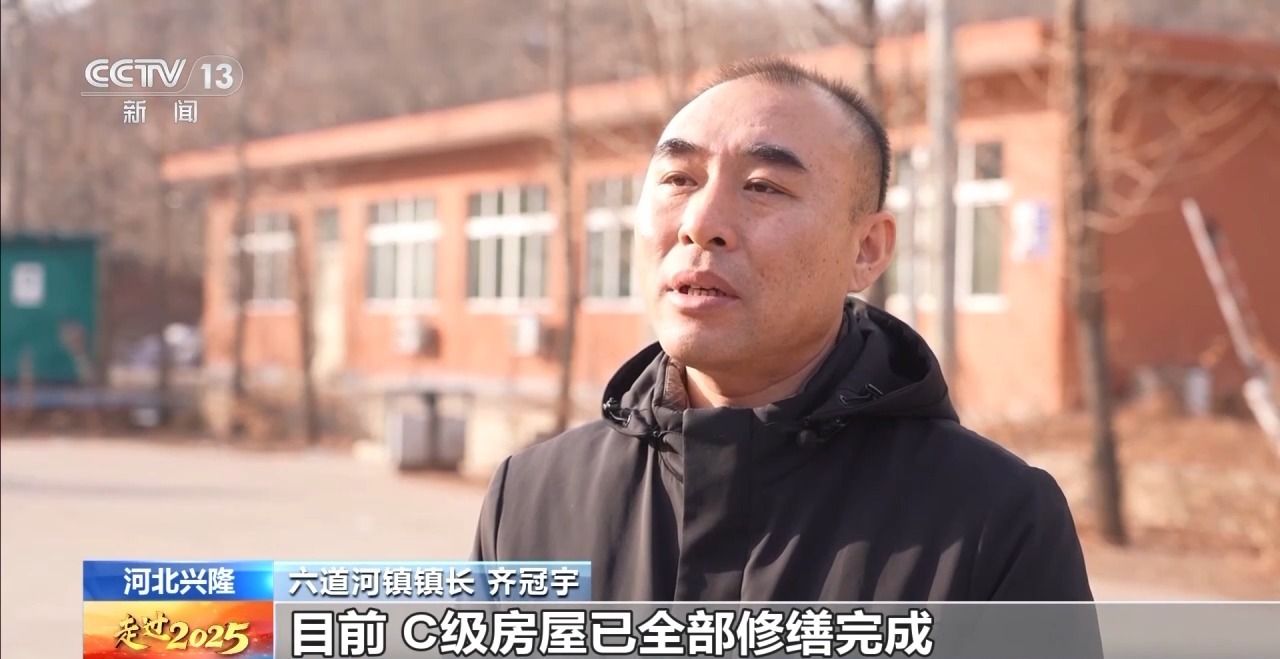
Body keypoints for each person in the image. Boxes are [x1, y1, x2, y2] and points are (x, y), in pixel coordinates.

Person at [471, 57, 1093, 601]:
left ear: (867, 249)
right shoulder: (529, 499)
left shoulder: (992, 522)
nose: (700, 223)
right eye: (678, 179)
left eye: (762, 187)